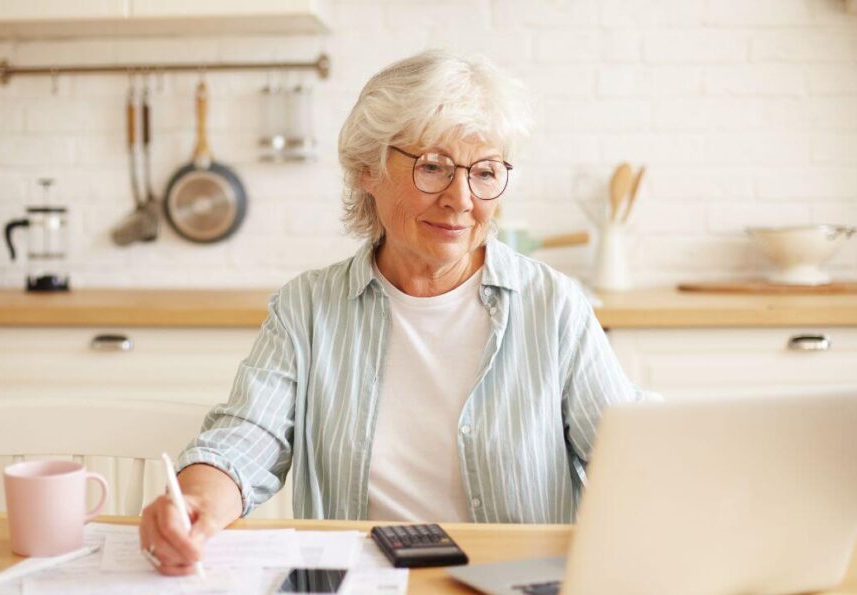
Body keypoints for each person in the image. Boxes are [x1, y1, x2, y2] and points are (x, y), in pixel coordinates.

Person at [139, 49, 652, 576]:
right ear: (368, 169)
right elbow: (248, 438)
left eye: (485, 172)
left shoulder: (553, 307)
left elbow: (632, 453)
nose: (461, 199)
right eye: (432, 167)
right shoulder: (308, 308)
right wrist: (197, 501)